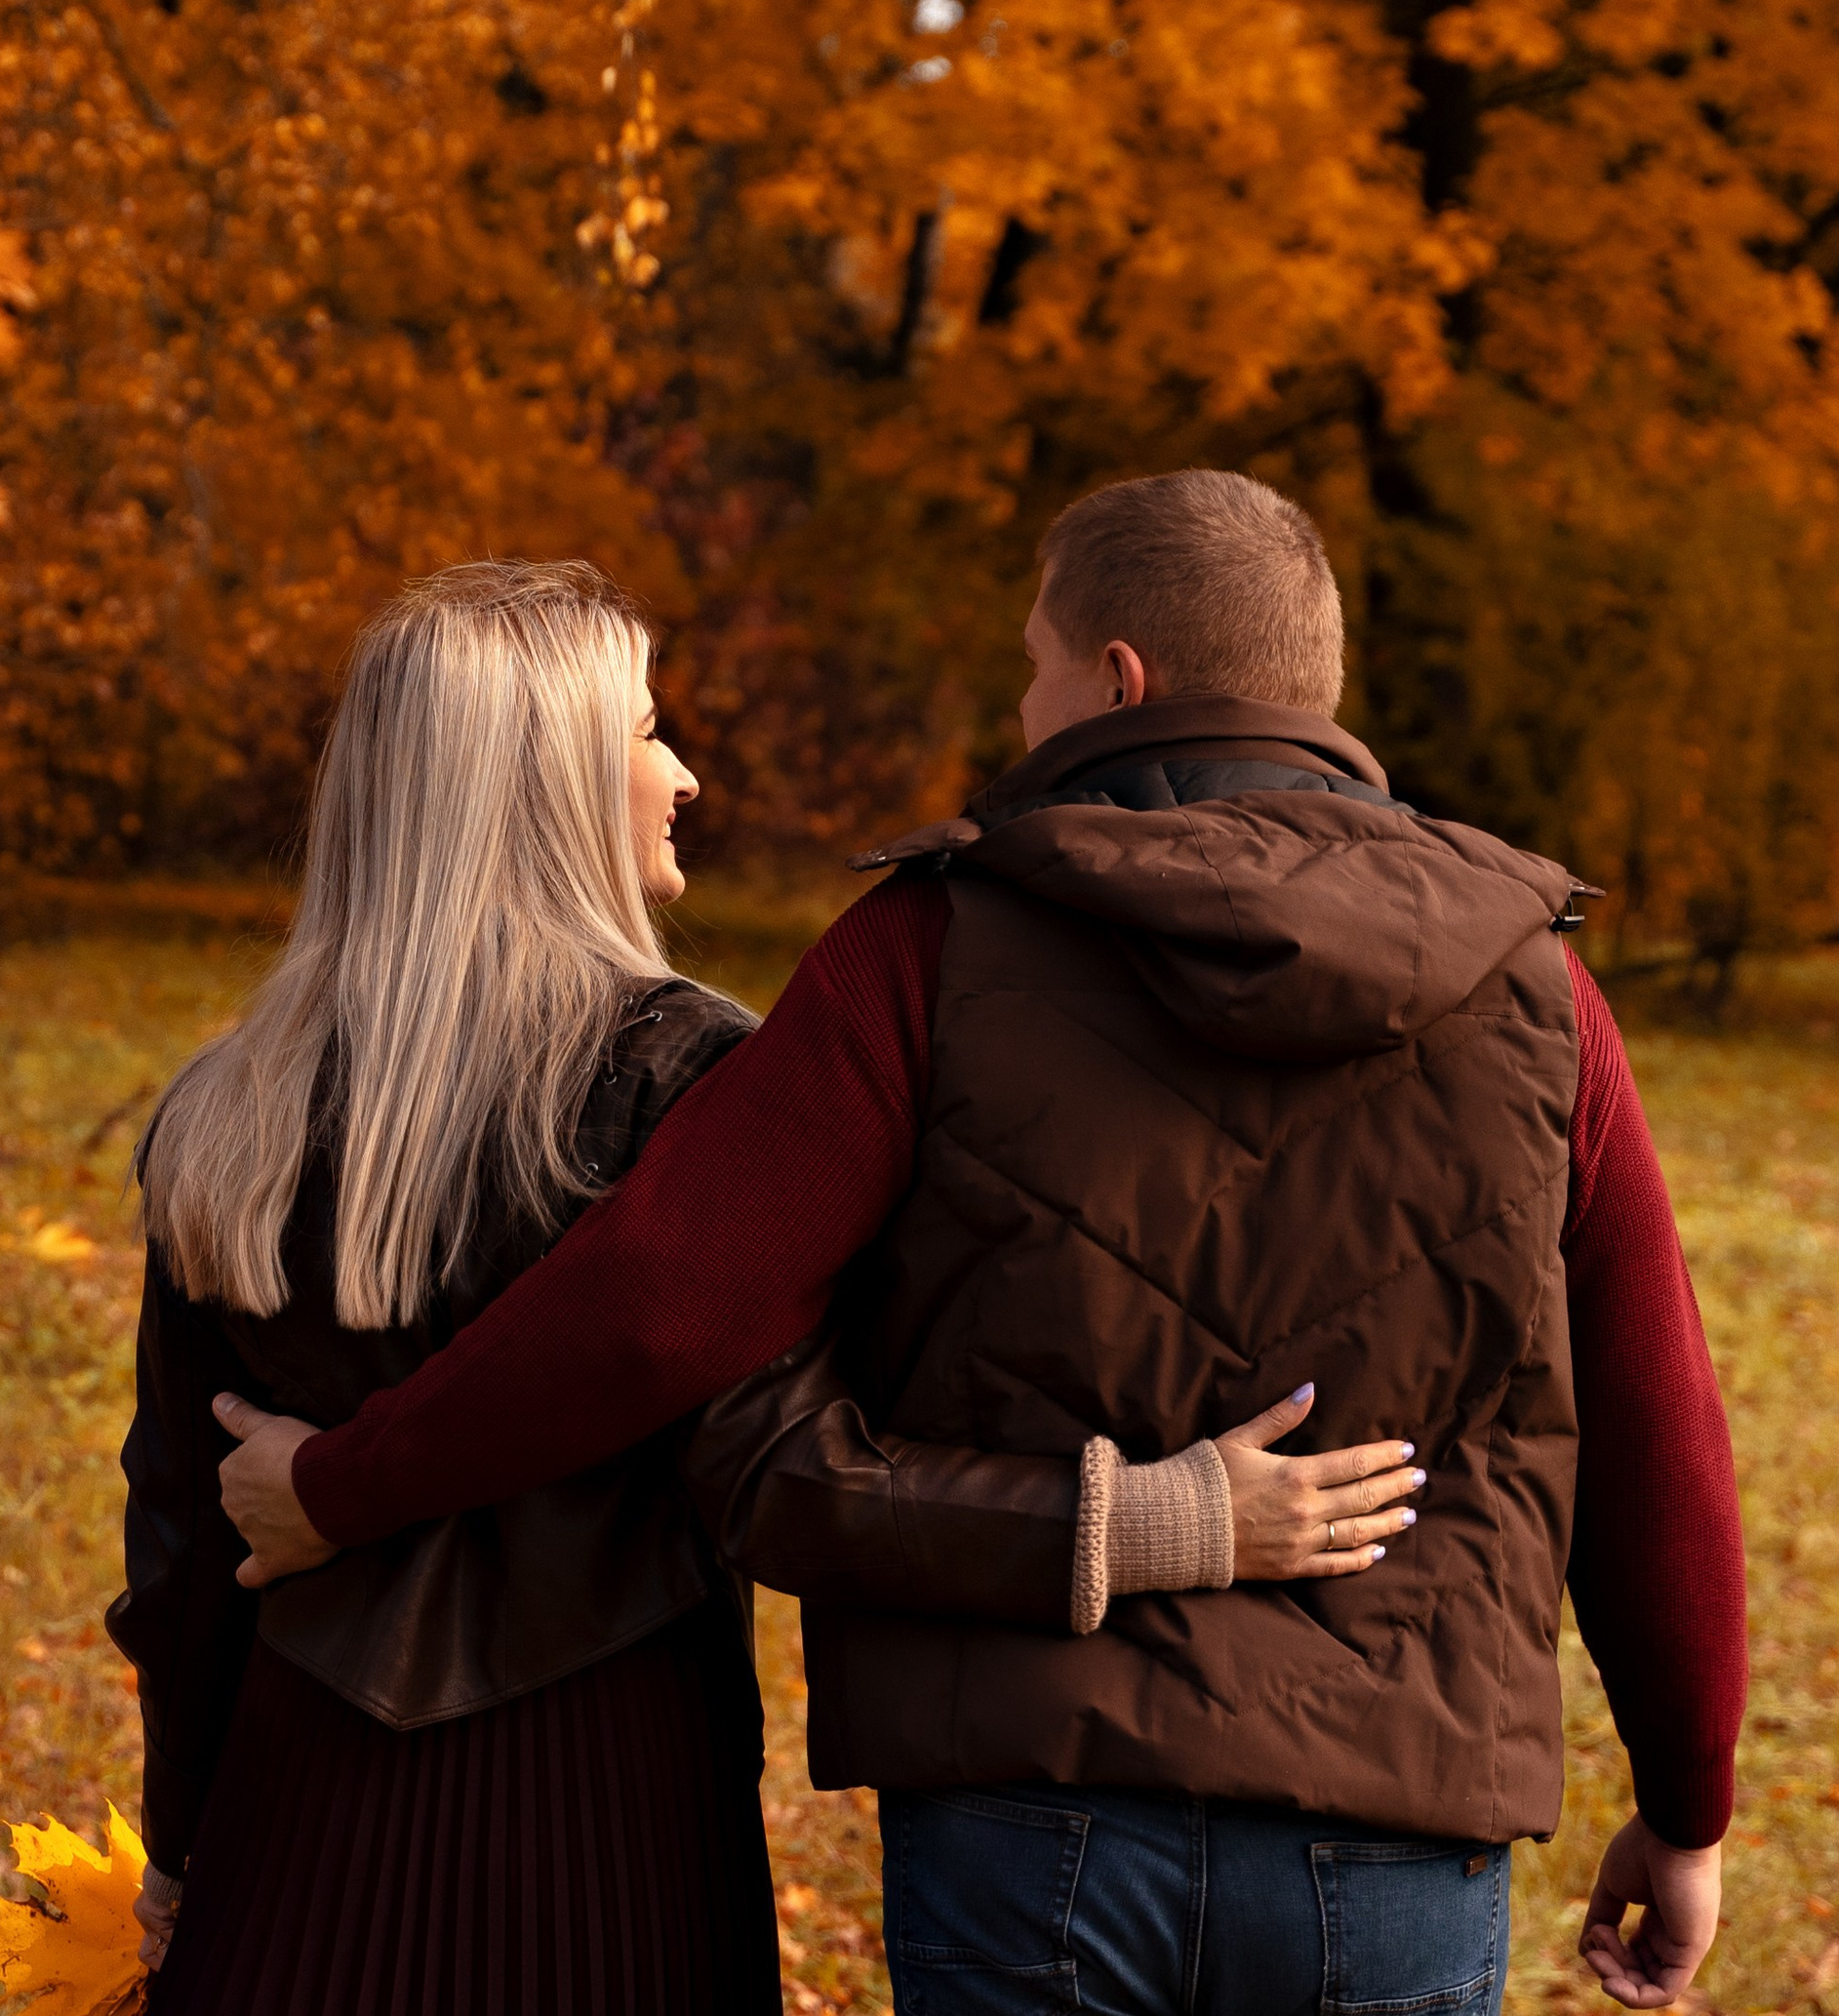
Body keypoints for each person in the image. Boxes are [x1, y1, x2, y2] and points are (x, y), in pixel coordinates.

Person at [216, 475, 1748, 2015]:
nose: (1025, 707)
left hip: (1035, 1812)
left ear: (1116, 678)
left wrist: (347, 1485)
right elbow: (1655, 1425)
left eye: (1033, 664)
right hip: (1398, 1824)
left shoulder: (931, 945)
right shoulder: (1538, 993)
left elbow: (660, 1302)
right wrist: (1687, 1809)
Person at [108, 554, 1419, 2016]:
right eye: (646, 731)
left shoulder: (232, 1112)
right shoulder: (695, 1089)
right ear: (537, 787)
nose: (683, 774)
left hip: (293, 1816)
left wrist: (182, 1845)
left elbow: (179, 1540)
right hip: (607, 1817)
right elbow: (797, 1472)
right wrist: (1162, 1517)